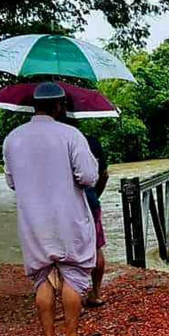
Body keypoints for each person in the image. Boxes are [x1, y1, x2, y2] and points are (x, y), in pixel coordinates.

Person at [2, 82, 102, 336]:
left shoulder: (12, 138)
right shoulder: (70, 135)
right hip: (68, 217)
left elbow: (11, 182)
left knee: (43, 279)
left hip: (33, 221)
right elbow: (88, 177)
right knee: (73, 274)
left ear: (35, 106)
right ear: (59, 106)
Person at [61, 114, 110, 308]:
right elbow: (103, 174)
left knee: (66, 252)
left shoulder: (57, 146)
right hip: (90, 200)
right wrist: (95, 195)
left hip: (65, 205)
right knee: (96, 246)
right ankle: (96, 293)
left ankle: (71, 299)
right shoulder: (92, 142)